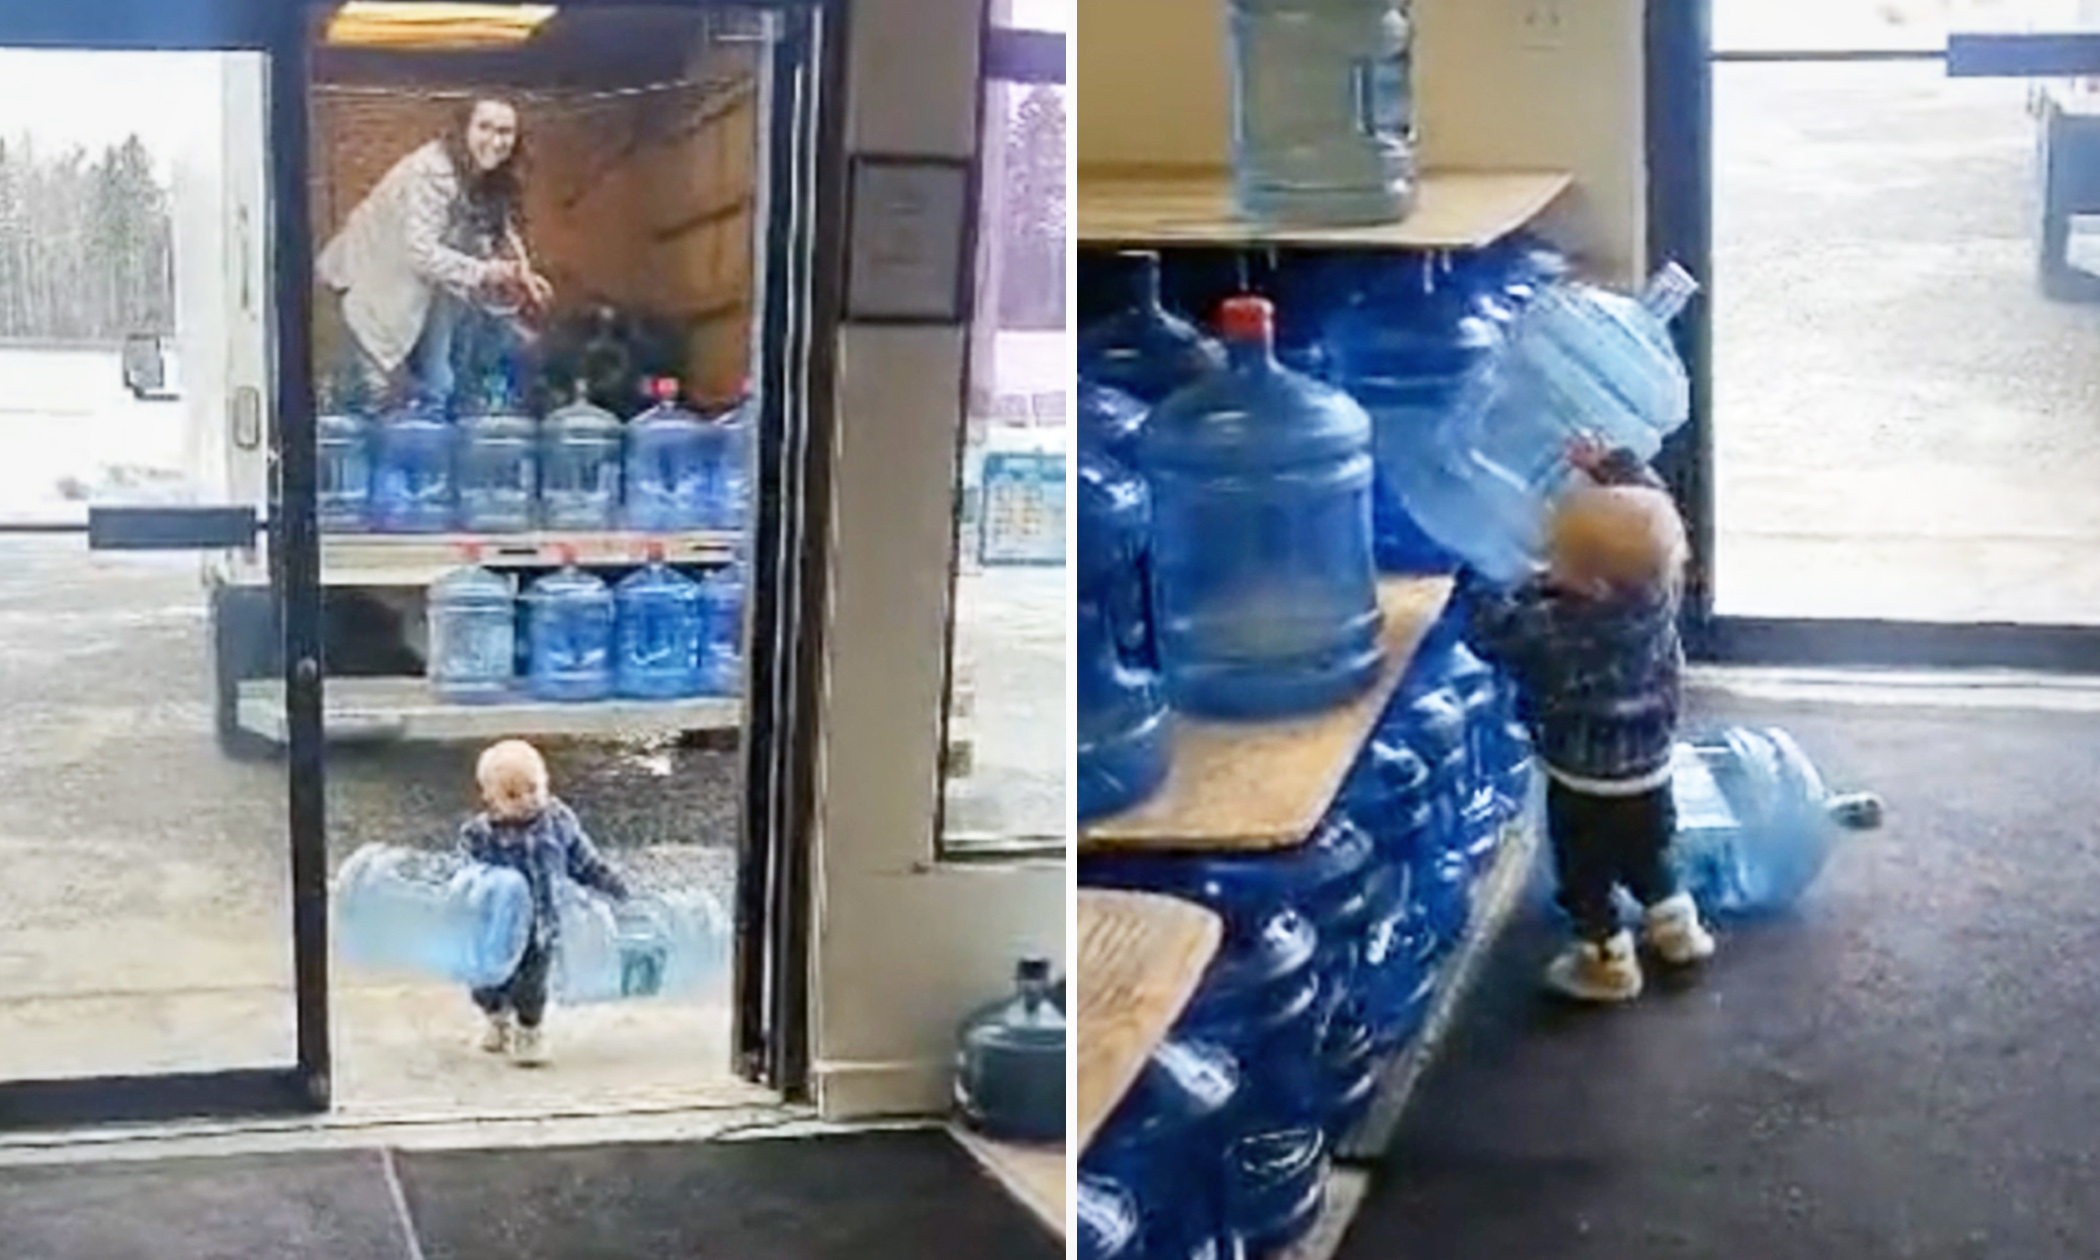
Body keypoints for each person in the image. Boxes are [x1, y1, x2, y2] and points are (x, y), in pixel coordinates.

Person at [1457, 436, 1715, 1003]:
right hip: (1651, 770)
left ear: (1592, 585)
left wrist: (1474, 579)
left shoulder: (1560, 632)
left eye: (1559, 560)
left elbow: (1491, 632)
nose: (1550, 564)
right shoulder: (1660, 592)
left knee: (1586, 876)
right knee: (1650, 850)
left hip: (1584, 785)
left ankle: (1606, 962)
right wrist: (1612, 467)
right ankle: (1677, 926)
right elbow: (1654, 504)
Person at [317, 97, 554, 410]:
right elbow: (421, 252)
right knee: (371, 400)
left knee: (439, 385)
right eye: (485, 128)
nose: (496, 141)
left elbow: (496, 235)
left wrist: (522, 276)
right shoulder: (431, 172)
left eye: (506, 132)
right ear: (462, 130)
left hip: (424, 292)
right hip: (366, 289)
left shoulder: (483, 179)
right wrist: (489, 272)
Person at [458, 739, 628, 1065]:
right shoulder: (479, 835)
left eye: (533, 789)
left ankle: (529, 1033)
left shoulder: (559, 821)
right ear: (489, 798)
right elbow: (467, 879)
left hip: (540, 928)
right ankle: (495, 1018)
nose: (526, 800)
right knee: (485, 984)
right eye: (511, 795)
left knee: (531, 987)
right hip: (494, 929)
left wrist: (610, 885)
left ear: (546, 782)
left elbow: (583, 861)